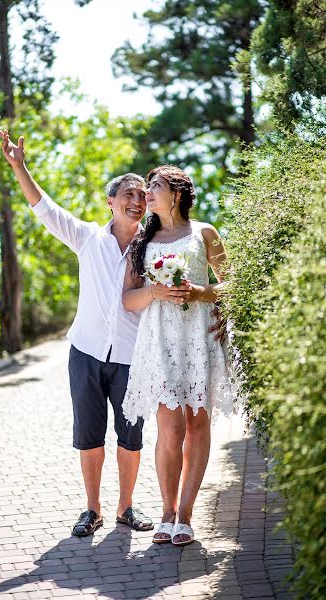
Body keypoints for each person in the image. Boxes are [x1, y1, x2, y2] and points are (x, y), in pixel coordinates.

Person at [0, 130, 225, 538]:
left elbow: (214, 285)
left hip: (133, 353)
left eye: (145, 194)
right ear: (112, 201)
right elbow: (43, 208)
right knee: (89, 434)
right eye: (131, 194)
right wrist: (19, 166)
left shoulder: (154, 241)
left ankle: (129, 508)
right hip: (85, 350)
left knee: (132, 437)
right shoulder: (90, 238)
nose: (139, 201)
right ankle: (92, 509)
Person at [122, 165, 234, 546]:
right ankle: (167, 512)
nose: (146, 194)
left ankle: (186, 515)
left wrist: (200, 293)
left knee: (198, 425)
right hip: (161, 343)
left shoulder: (205, 233)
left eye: (154, 187)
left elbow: (233, 285)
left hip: (198, 339)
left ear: (178, 193)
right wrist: (156, 292)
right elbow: (129, 299)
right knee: (170, 429)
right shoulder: (142, 239)